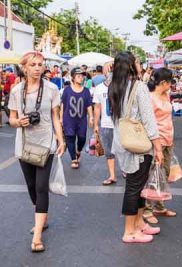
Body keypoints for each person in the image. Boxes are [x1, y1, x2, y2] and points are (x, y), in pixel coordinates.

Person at [8, 51, 65, 252]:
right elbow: (11, 119)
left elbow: (55, 116)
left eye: (40, 64)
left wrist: (61, 138)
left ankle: (38, 236)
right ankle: (42, 216)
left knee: (41, 187)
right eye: (33, 65)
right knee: (32, 186)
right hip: (24, 145)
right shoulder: (16, 91)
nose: (37, 68)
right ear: (25, 67)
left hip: (45, 144)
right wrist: (18, 122)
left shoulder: (51, 88)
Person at [109, 51, 163, 243]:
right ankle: (129, 231)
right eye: (138, 62)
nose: (140, 65)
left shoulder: (115, 87)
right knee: (134, 188)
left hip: (124, 142)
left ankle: (139, 223)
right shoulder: (138, 87)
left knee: (138, 186)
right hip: (140, 146)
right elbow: (148, 120)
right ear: (131, 66)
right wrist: (158, 147)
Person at [143, 68, 177, 224]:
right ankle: (147, 209)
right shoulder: (150, 98)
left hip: (168, 139)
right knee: (153, 175)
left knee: (163, 174)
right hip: (157, 141)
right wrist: (156, 146)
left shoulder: (166, 95)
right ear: (163, 82)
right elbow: (148, 123)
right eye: (170, 82)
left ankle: (159, 205)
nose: (171, 85)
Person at [60, 67, 93, 169]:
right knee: (70, 138)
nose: (81, 78)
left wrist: (91, 117)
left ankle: (78, 151)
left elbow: (88, 105)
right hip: (68, 120)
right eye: (78, 76)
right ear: (73, 78)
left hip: (81, 120)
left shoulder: (86, 91)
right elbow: (62, 105)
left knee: (82, 139)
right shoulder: (67, 90)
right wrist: (61, 118)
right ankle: (73, 159)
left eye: (82, 76)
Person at [93, 73, 117, 185]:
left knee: (124, 149)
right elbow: (97, 107)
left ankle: (126, 170)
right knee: (109, 151)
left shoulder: (121, 86)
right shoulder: (99, 88)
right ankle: (112, 175)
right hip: (106, 124)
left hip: (120, 124)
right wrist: (96, 124)